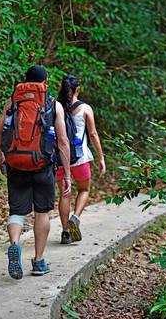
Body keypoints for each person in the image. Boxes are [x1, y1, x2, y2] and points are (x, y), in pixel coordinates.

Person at [0, 65, 71, 279]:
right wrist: (66, 175)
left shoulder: (13, 101)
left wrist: (2, 158)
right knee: (42, 213)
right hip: (43, 165)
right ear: (45, 83)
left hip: (16, 163)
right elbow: (63, 141)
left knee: (17, 212)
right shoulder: (54, 104)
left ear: (25, 80)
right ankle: (38, 262)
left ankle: (15, 245)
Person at [56, 74, 106, 244]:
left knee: (64, 194)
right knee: (84, 190)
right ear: (78, 89)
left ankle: (65, 232)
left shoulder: (56, 107)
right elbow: (92, 134)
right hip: (80, 158)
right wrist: (101, 157)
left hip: (61, 159)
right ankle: (75, 218)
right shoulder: (85, 109)